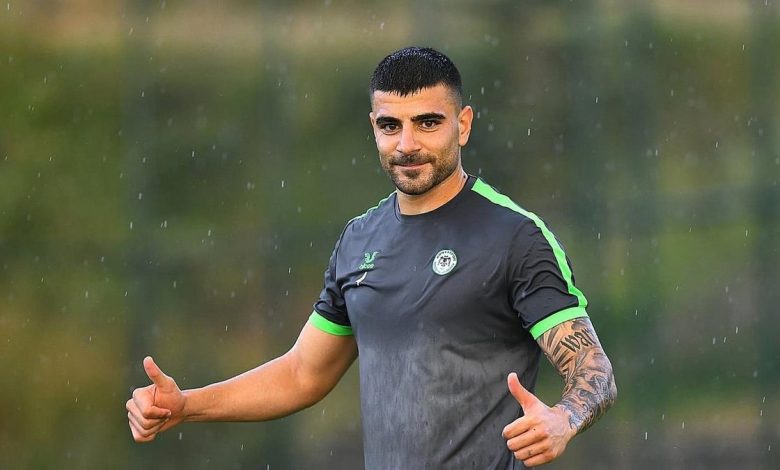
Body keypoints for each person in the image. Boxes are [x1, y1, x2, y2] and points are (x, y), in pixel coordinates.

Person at [126, 46, 617, 469]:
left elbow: (593, 370)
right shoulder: (359, 240)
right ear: (374, 128)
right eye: (390, 125)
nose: (407, 144)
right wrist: (186, 405)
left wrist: (563, 419)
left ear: (463, 125)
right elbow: (303, 373)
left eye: (428, 123)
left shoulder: (515, 237)